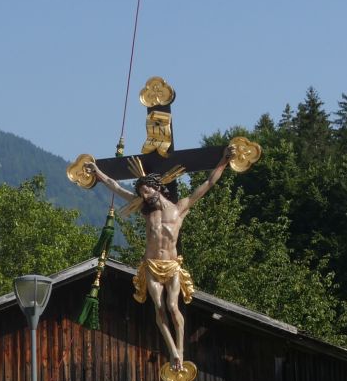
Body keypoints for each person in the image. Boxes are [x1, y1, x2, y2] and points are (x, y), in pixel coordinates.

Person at [84, 148, 235, 369]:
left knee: (173, 307)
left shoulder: (180, 208)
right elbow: (116, 186)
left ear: (156, 188)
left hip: (172, 265)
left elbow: (208, 184)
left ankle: (180, 351)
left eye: (147, 192)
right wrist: (97, 172)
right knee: (159, 308)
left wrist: (223, 160)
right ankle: (172, 350)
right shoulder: (146, 210)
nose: (144, 197)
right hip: (152, 265)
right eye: (142, 193)